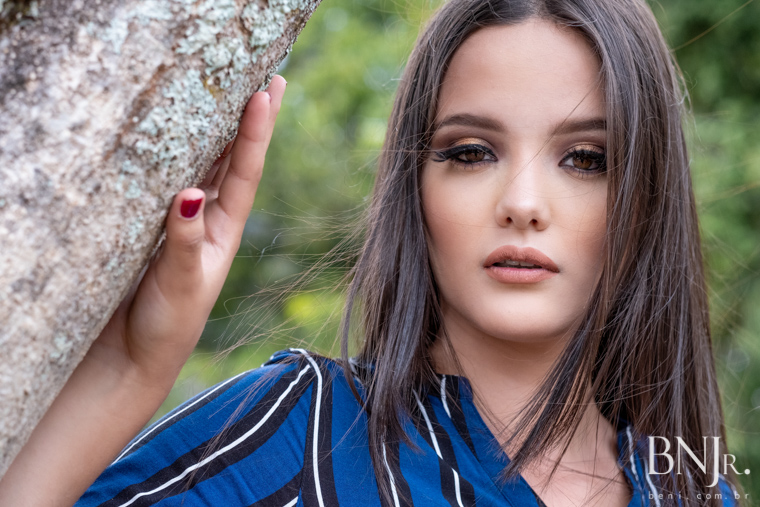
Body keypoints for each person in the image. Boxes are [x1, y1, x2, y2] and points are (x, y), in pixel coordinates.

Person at [0, 0, 745, 505]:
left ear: (647, 197)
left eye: (586, 159)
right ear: (413, 186)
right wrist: (130, 368)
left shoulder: (693, 490)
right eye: (471, 152)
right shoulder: (300, 432)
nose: (523, 202)